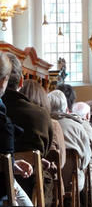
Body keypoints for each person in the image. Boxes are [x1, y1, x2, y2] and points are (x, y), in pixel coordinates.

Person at [0, 52, 33, 206]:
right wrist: (9, 165)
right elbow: (5, 184)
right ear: (3, 82)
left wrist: (11, 164)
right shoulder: (3, 124)